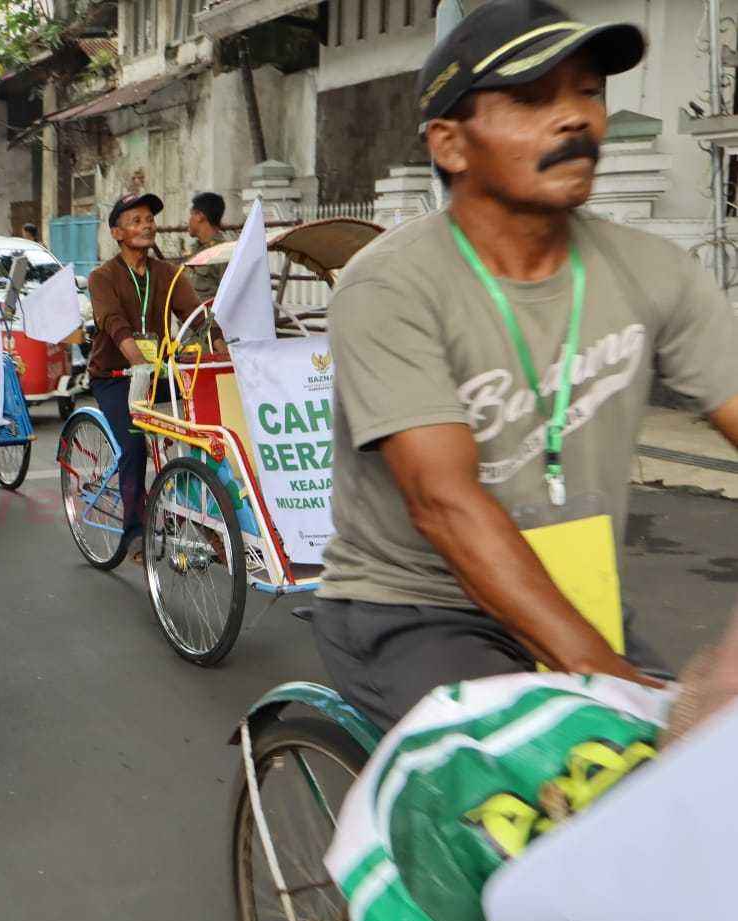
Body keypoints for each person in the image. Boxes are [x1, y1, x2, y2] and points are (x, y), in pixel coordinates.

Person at [312, 0, 738, 732]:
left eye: (589, 92)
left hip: (573, 591)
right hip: (416, 609)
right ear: (450, 144)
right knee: (570, 775)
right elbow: (444, 503)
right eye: (533, 98)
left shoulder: (657, 272)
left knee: (700, 774)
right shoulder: (390, 287)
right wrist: (617, 690)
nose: (575, 118)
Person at [87, 193, 201, 559]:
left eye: (149, 219)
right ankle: (134, 531)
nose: (147, 225)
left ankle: (202, 514)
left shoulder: (167, 273)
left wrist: (219, 345)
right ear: (117, 233)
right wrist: (137, 360)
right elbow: (113, 323)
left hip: (158, 373)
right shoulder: (102, 277)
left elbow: (197, 316)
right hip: (115, 375)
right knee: (134, 445)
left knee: (204, 432)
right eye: (136, 220)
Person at [185, 191, 226, 301]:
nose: (189, 220)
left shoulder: (223, 253)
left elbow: (228, 295)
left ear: (200, 216)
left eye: (191, 214)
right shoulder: (195, 249)